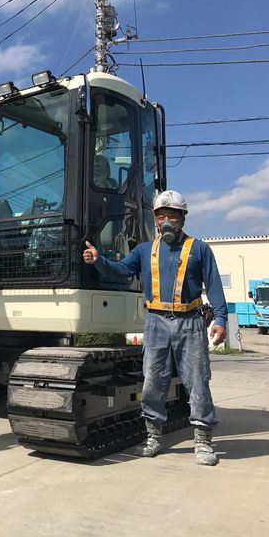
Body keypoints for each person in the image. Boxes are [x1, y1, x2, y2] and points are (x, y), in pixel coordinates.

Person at [82, 190, 226, 466]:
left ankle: (203, 442)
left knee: (197, 381)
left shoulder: (199, 249)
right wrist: (98, 260)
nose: (166, 221)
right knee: (153, 382)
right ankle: (153, 437)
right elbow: (120, 270)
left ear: (183, 218)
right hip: (156, 322)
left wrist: (220, 319)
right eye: (161, 217)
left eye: (172, 216)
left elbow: (214, 285)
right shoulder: (144, 251)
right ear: (156, 221)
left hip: (190, 322)